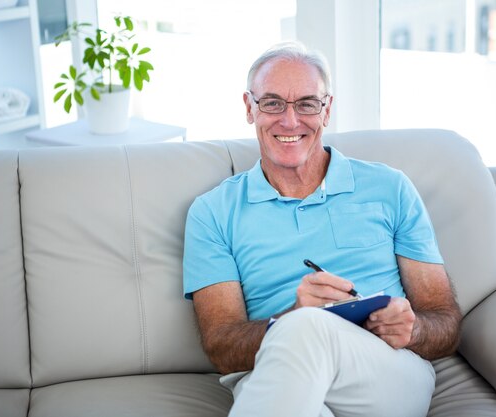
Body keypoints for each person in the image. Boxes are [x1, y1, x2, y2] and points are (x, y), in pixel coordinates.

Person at [183, 41, 461, 417]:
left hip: (386, 372)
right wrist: (290, 318)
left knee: (307, 329)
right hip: (274, 374)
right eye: (272, 102)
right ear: (250, 108)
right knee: (303, 332)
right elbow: (221, 347)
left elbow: (443, 319)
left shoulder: (390, 188)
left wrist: (412, 329)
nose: (290, 120)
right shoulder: (212, 212)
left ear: (327, 110)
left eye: (307, 104)